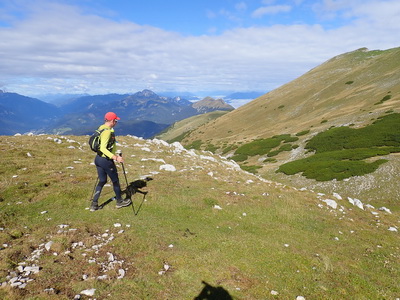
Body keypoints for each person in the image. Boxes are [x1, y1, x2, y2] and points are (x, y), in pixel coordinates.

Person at [90, 112, 131, 211]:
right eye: (116, 120)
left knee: (102, 180)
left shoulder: (102, 127)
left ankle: (94, 204)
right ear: (112, 121)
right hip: (106, 160)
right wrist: (115, 157)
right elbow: (103, 148)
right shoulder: (107, 132)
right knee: (115, 181)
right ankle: (120, 202)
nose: (116, 122)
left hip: (98, 159)